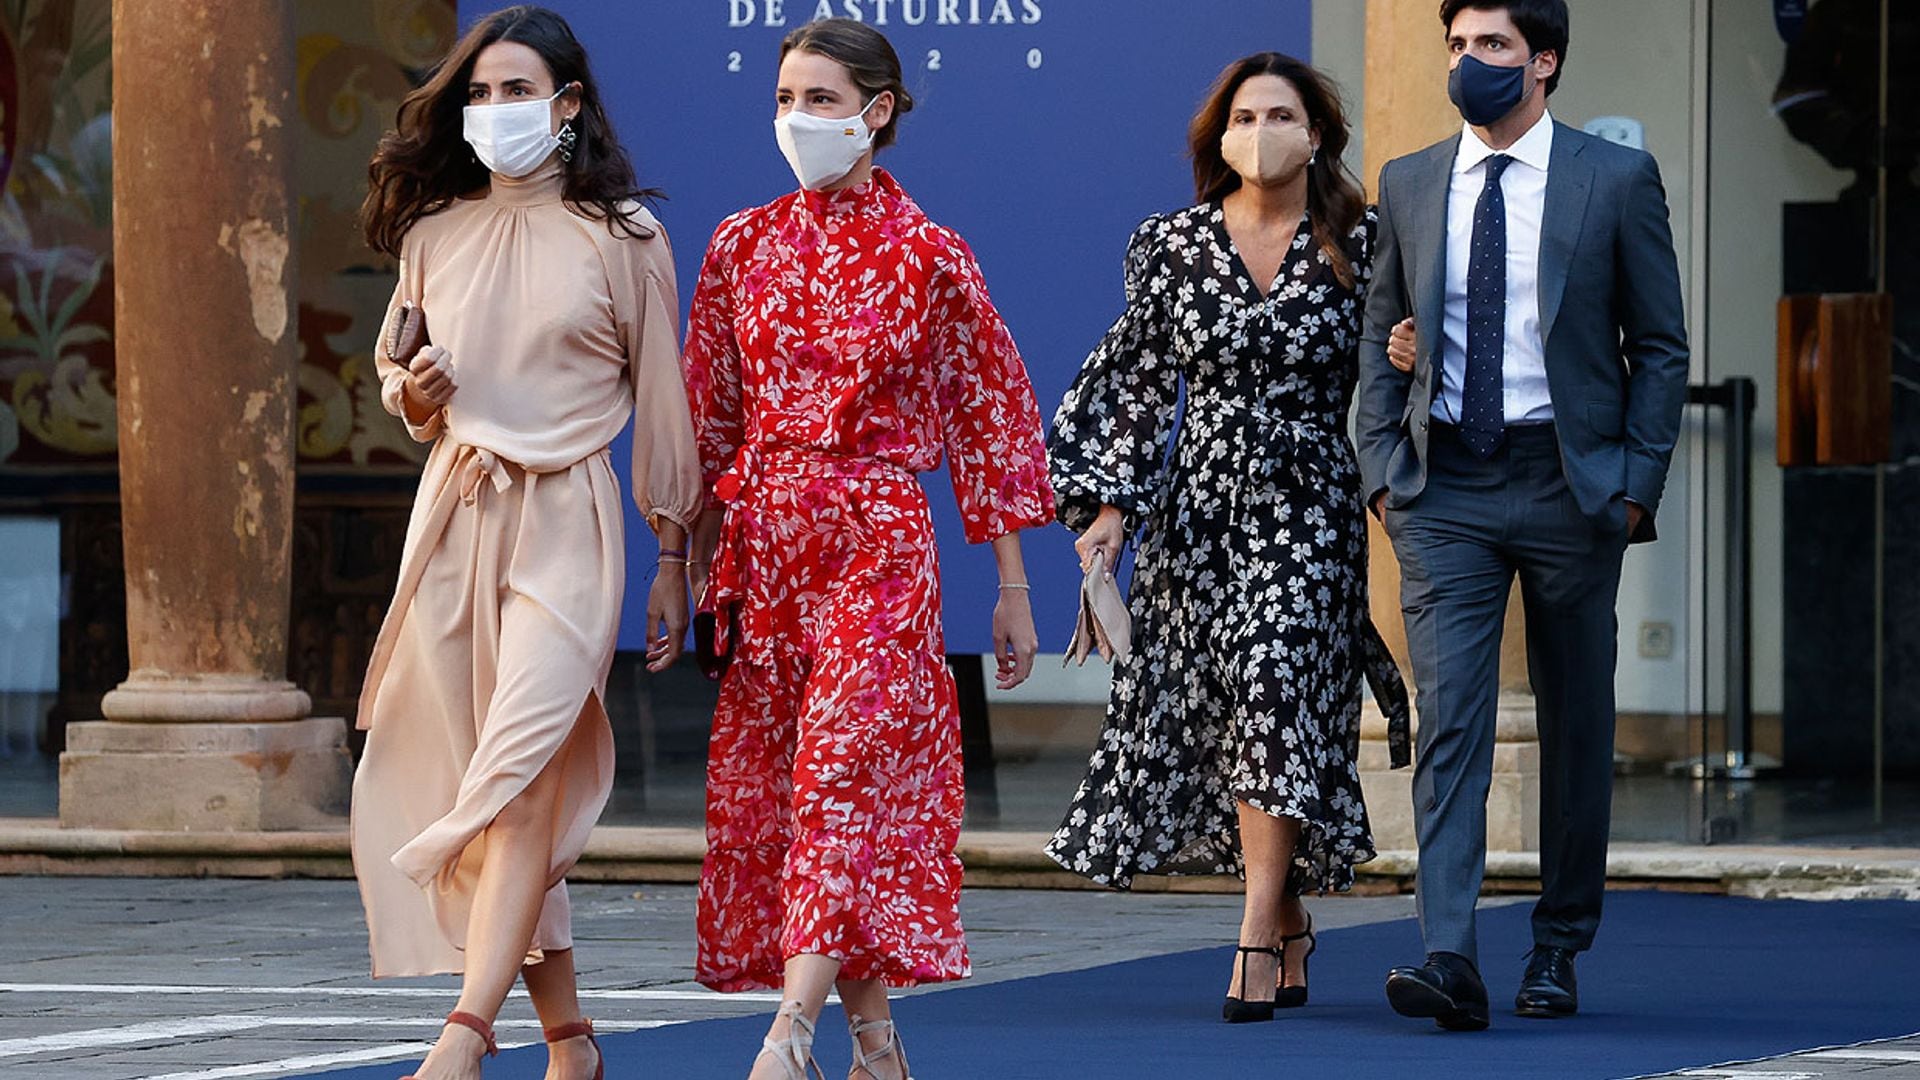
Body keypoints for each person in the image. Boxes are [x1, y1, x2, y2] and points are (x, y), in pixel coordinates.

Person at [682, 18, 1056, 1080]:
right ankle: (880, 1044)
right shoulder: (739, 244)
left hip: (880, 542)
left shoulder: (931, 256)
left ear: (877, 112)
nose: (796, 118)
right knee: (802, 787)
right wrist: (681, 564)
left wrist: (1015, 585)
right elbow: (709, 419)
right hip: (766, 546)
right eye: (786, 97)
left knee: (844, 773)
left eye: (821, 99)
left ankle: (786, 1034)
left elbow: (992, 413)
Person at [351, 7, 702, 1078]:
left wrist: (674, 556)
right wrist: (417, 393)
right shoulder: (432, 235)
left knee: (518, 772)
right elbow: (398, 386)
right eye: (479, 94)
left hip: (571, 526)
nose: (495, 111)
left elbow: (663, 405)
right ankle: (571, 1040)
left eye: (517, 91)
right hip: (454, 519)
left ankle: (462, 1038)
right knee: (504, 787)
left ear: (569, 105)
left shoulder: (629, 238)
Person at [1046, 52, 1410, 1024]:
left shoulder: (1360, 241)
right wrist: (1109, 509)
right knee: (1230, 716)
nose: (1261, 130)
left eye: (1280, 113)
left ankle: (1253, 932)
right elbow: (1131, 375)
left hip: (1309, 507)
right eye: (1244, 115)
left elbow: (1397, 367)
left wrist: (1407, 363)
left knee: (1280, 696)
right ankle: (1289, 914)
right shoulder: (1170, 244)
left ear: (1317, 131)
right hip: (1198, 510)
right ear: (1220, 136)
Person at [1358, 0, 1689, 1031]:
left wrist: (1632, 486)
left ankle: (1558, 947)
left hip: (1570, 483)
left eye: (1493, 47)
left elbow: (1660, 346)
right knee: (1449, 718)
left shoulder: (1614, 177)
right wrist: (1384, 473)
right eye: (1456, 46)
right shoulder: (1411, 182)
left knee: (1576, 720)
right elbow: (1380, 336)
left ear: (1542, 62)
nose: (1470, 63)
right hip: (1444, 485)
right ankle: (1449, 954)